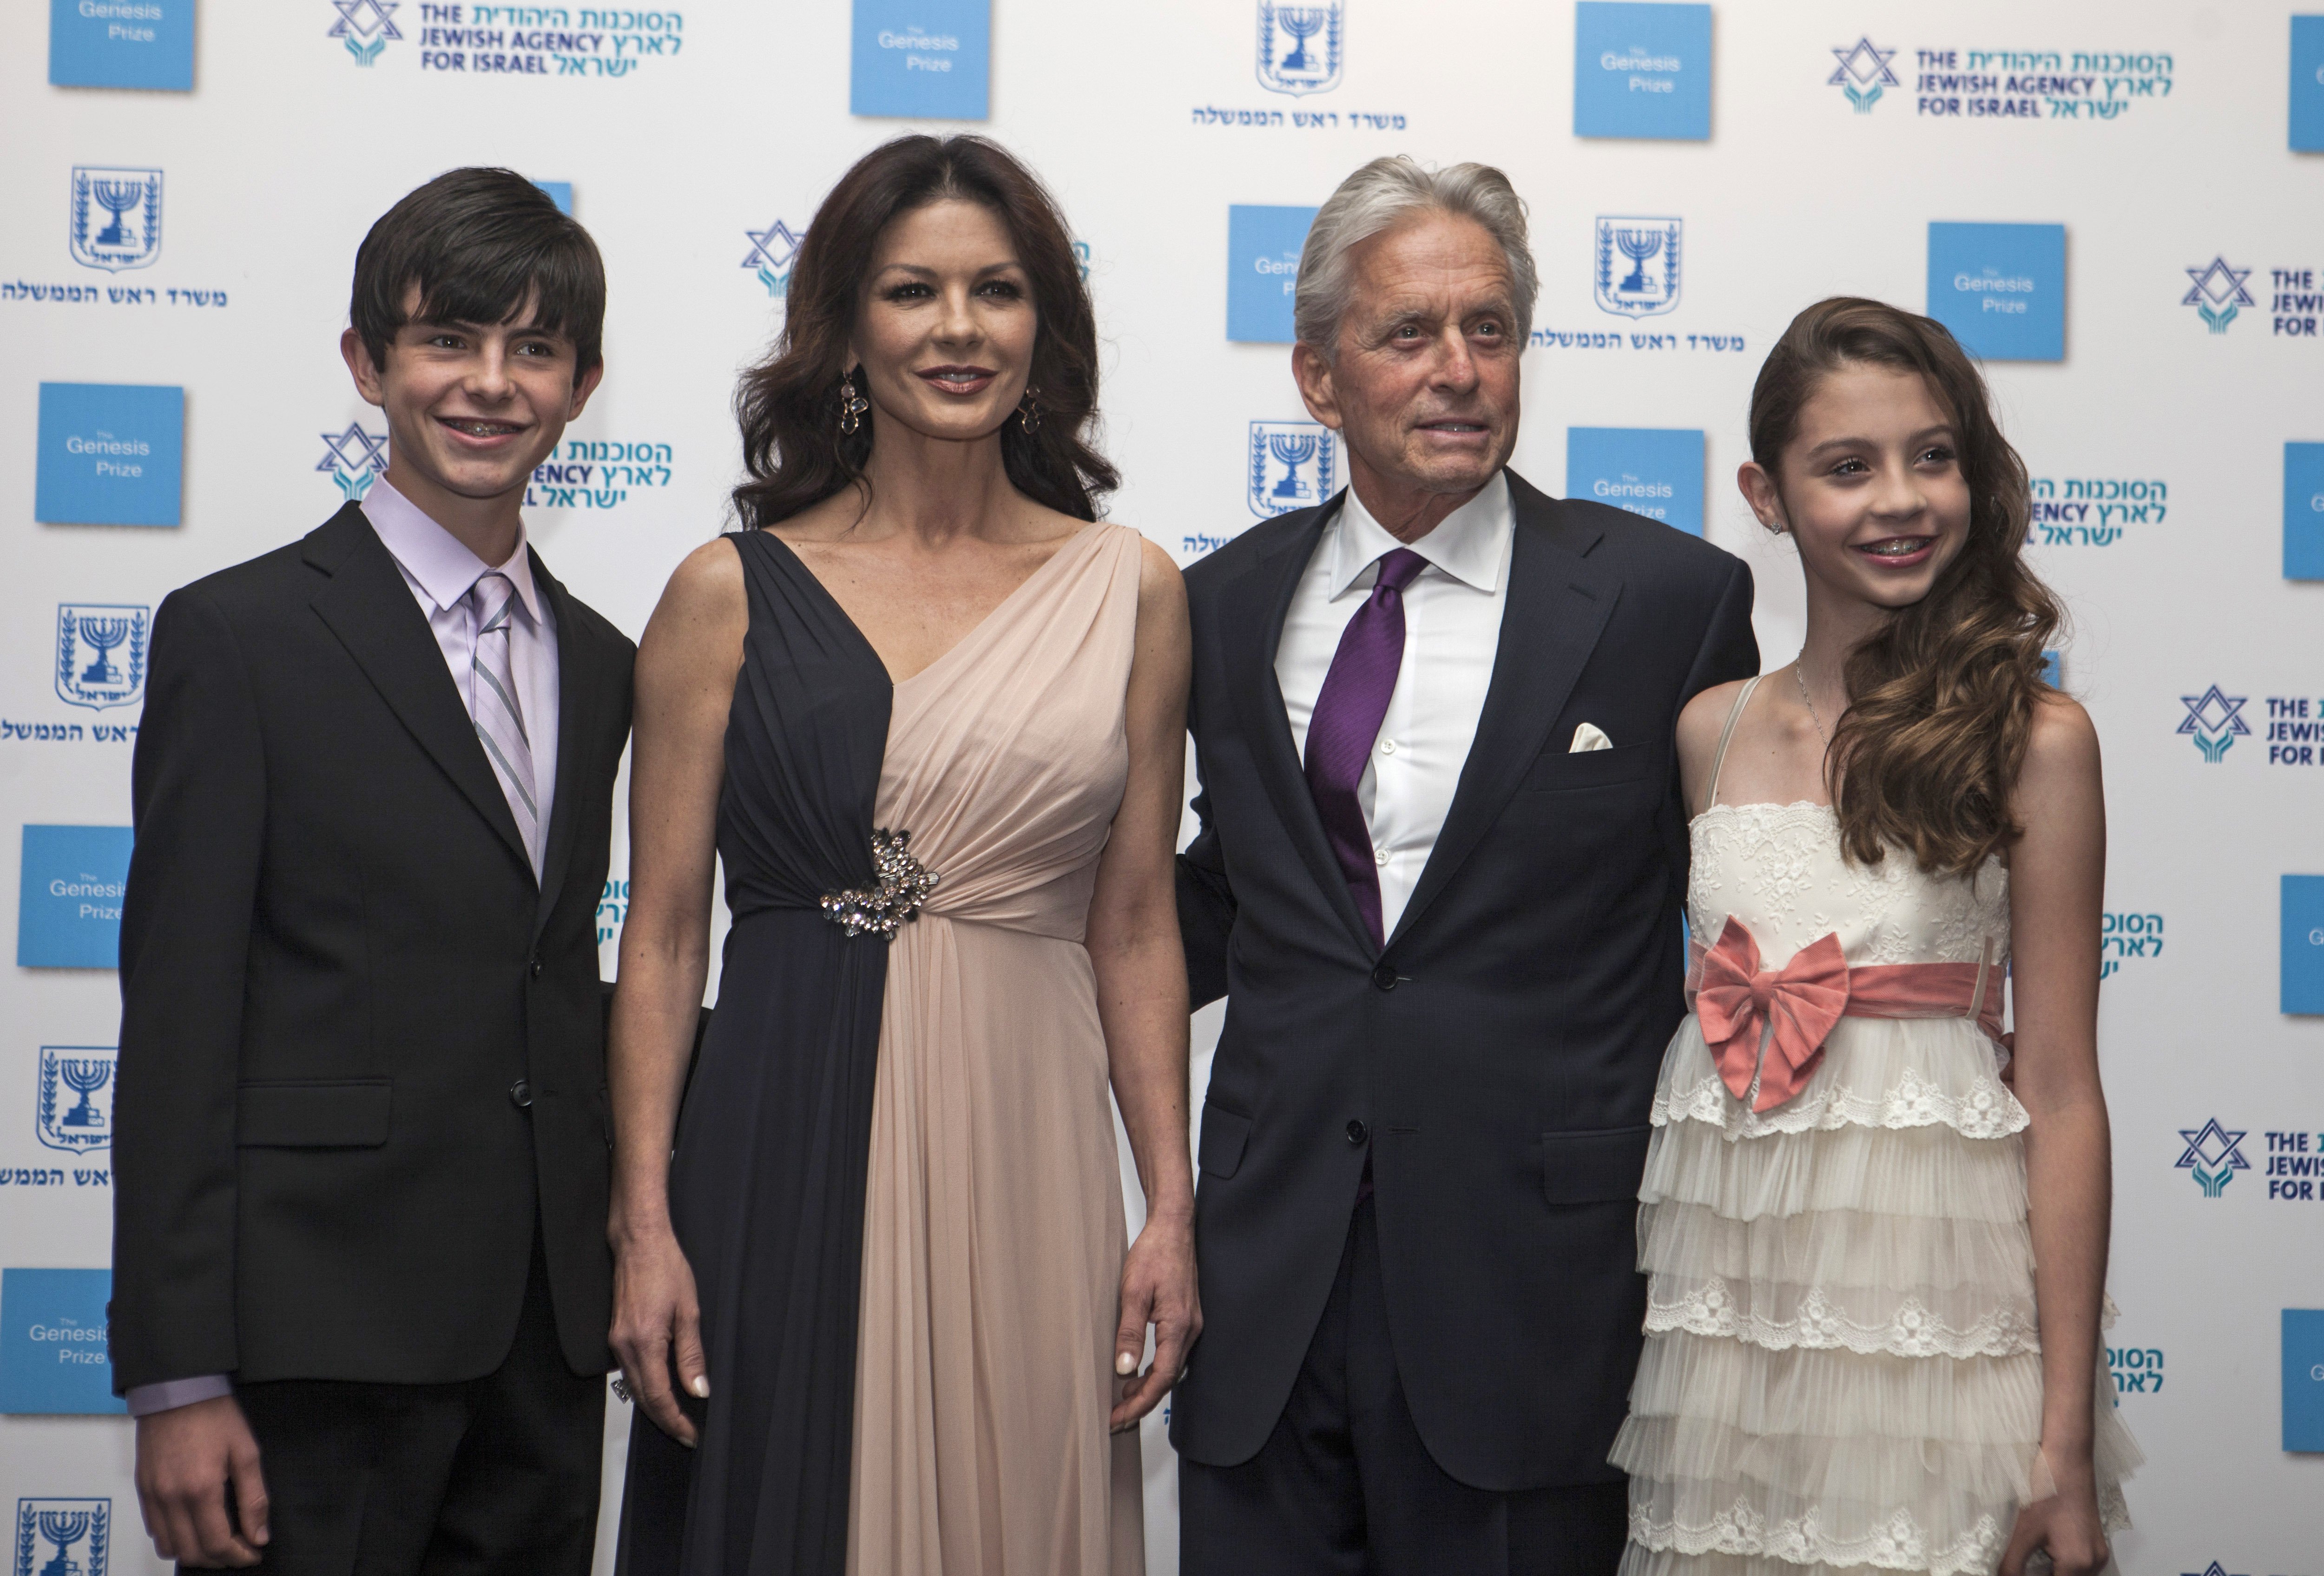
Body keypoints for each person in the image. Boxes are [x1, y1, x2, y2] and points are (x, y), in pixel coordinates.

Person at [606, 133, 1197, 1576]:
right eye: (911, 291)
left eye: (996, 291)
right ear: (846, 329)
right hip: (782, 1123)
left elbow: (1132, 928)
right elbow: (667, 936)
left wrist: (1169, 1209)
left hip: (1030, 1138)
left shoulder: (1131, 590)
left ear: (1045, 327)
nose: (957, 329)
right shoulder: (724, 595)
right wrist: (643, 1223)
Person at [1172, 156, 1758, 1575]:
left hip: (1533, 1293)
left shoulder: (1670, 602)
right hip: (1268, 1277)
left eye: (1490, 331)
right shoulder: (1217, 602)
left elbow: (1752, 923)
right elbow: (1212, 900)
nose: (1460, 371)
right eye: (1409, 335)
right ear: (1319, 378)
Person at [111, 168, 636, 1572]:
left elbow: (555, 977)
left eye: (535, 350)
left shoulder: (603, 661)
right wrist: (178, 1377)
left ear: (583, 386)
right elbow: (176, 1022)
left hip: (542, 1336)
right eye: (448, 340)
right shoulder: (241, 637)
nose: (490, 385)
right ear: (368, 363)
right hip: (314, 1333)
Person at [1613, 297, 2142, 1576]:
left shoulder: (2037, 743)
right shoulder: (1709, 731)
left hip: (1938, 1327)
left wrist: (2062, 1437)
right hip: (1734, 1339)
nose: (1901, 498)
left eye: (1934, 455)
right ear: (1768, 492)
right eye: (1848, 467)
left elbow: (2062, 1093)